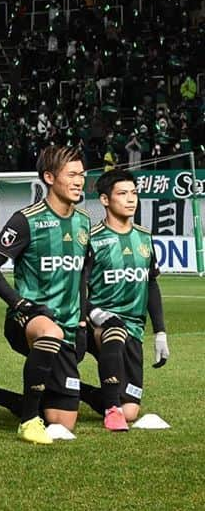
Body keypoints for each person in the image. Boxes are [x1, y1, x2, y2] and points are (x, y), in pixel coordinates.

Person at [0, 146, 91, 444]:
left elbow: (83, 273)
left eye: (82, 174)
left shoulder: (84, 221)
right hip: (30, 320)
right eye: (71, 174)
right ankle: (27, 422)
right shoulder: (26, 220)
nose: (79, 181)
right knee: (49, 333)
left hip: (69, 325)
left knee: (62, 421)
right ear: (49, 177)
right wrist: (20, 304)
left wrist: (83, 320)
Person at [79, 169, 169, 430]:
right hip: (99, 323)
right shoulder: (92, 239)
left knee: (131, 410)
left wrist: (160, 331)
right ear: (105, 200)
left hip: (134, 329)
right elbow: (78, 288)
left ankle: (72, 390)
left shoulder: (144, 237)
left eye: (134, 193)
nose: (131, 199)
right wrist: (93, 313)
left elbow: (150, 283)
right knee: (113, 331)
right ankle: (111, 410)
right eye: (122, 194)